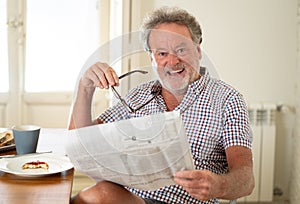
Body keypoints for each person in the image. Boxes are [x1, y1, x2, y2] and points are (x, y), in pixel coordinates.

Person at [69, 6, 254, 204]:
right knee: (92, 195)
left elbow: (246, 180)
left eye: (181, 50)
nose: (172, 61)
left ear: (198, 50)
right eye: (162, 53)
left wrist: (218, 185)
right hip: (132, 199)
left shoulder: (228, 99)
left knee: (99, 195)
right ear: (152, 58)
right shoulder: (139, 95)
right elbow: (79, 142)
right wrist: (85, 88)